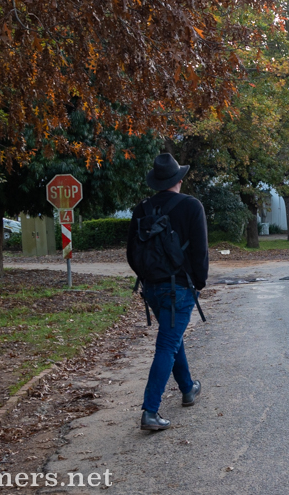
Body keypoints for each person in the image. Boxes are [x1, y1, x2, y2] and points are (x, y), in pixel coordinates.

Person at [127, 153, 209, 431]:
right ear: (179, 180)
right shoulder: (192, 206)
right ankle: (150, 411)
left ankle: (188, 389)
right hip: (180, 288)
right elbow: (200, 251)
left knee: (172, 338)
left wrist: (148, 277)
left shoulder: (142, 208)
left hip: (152, 289)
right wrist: (199, 282)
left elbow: (131, 253)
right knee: (167, 344)